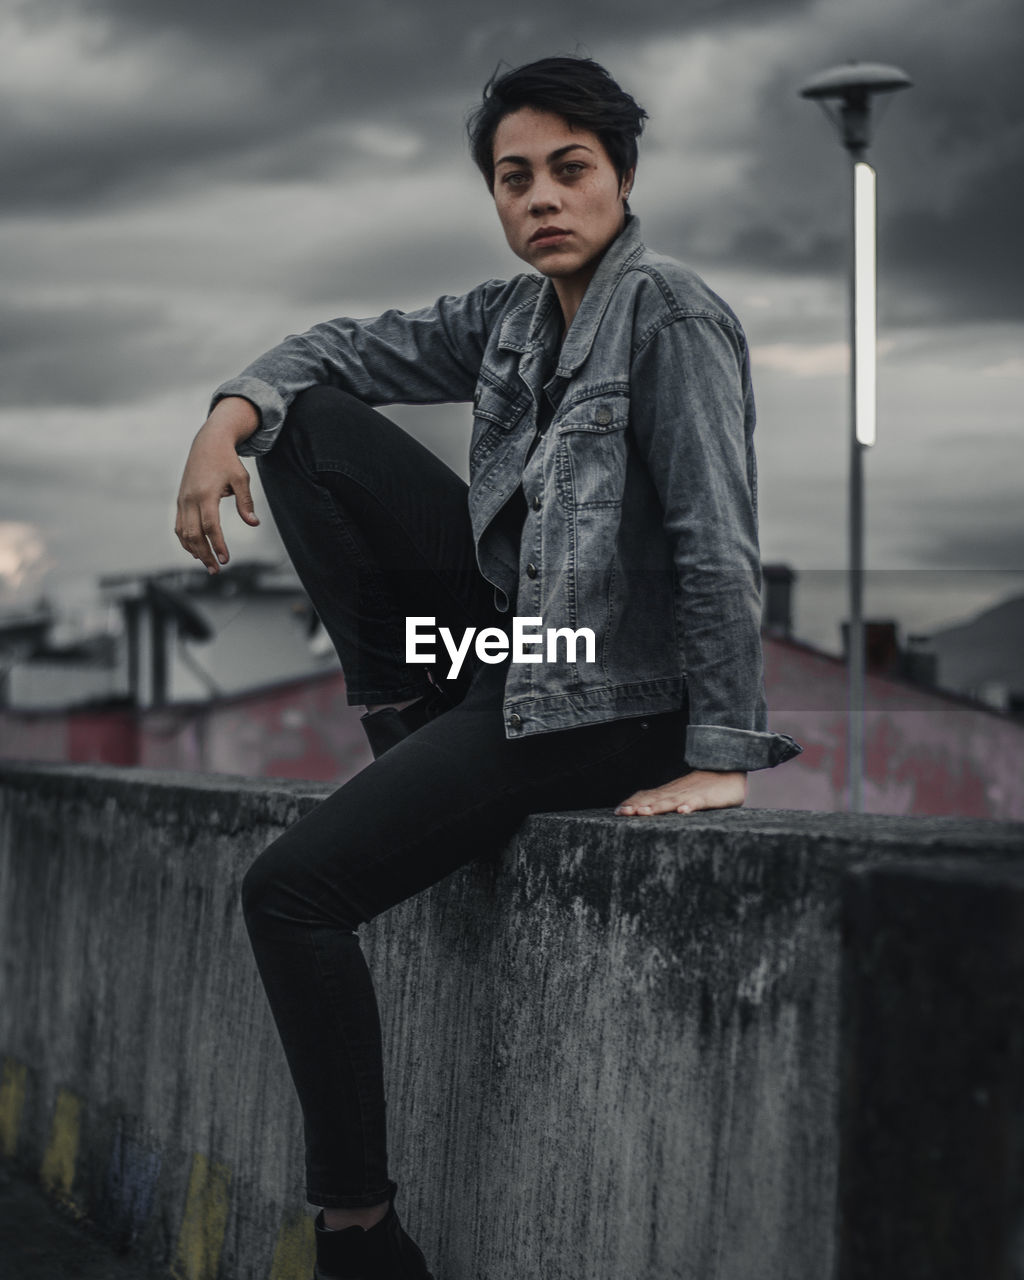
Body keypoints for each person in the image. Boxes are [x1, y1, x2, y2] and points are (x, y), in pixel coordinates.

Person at [174, 54, 802, 1280]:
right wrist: (220, 423)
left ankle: (359, 1237)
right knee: (309, 422)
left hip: (606, 696)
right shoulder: (512, 317)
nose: (541, 201)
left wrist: (722, 753)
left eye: (571, 170)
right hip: (509, 662)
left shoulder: (668, 313)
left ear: (623, 175)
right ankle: (405, 719)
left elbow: (715, 541)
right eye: (514, 180)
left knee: (290, 893)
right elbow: (332, 350)